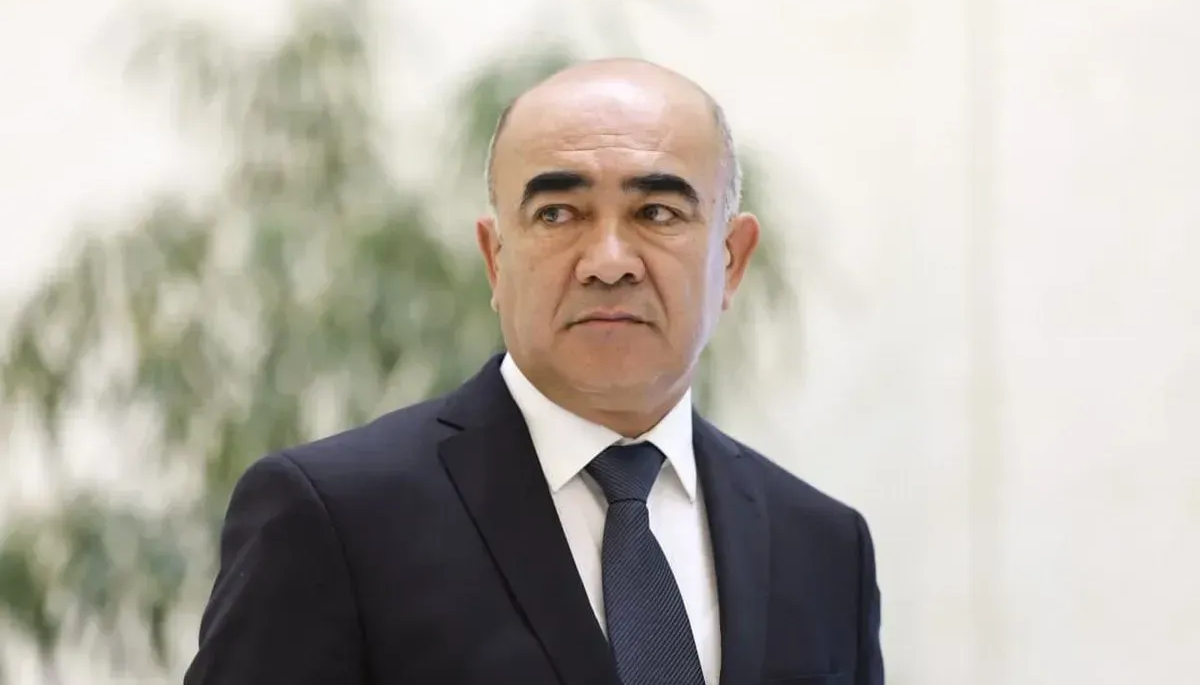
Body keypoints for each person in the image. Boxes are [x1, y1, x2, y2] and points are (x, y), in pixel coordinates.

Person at [183, 58, 884, 685]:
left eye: (656, 212)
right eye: (557, 213)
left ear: (731, 260)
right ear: (495, 259)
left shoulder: (823, 546)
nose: (609, 262)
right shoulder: (335, 519)